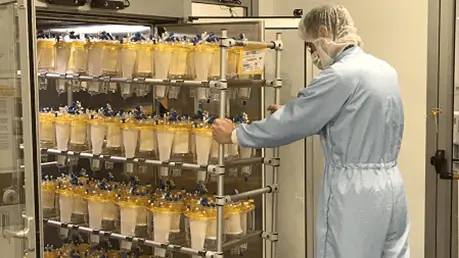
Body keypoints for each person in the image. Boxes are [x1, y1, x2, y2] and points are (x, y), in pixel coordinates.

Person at [212, 4, 409, 258]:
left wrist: (235, 134)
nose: (312, 54)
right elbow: (356, 121)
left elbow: (290, 124)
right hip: (391, 187)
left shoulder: (340, 75)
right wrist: (304, 111)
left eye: (310, 46)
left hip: (355, 194)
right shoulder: (383, 70)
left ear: (324, 32)